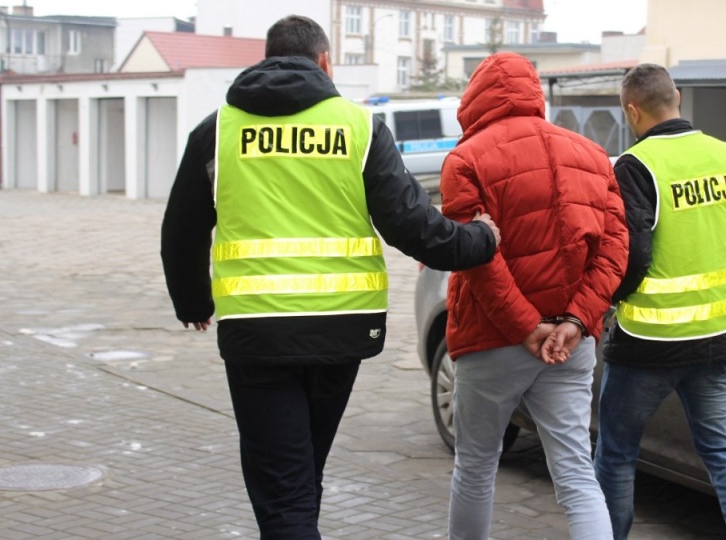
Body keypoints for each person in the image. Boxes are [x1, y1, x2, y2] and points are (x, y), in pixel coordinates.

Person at [160, 15, 500, 539]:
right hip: (341, 332)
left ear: (267, 59)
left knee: (284, 490)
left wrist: (193, 303)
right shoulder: (359, 126)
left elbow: (181, 229)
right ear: (325, 62)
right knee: (300, 477)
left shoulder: (218, 129)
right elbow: (415, 228)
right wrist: (482, 237)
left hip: (258, 333)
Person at [440, 52, 628, 540]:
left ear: (475, 98)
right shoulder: (592, 156)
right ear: (535, 93)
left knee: (477, 466)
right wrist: (576, 321)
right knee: (575, 471)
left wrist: (526, 326)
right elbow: (613, 251)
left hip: (491, 339)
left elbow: (476, 258)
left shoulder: (465, 160)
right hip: (570, 341)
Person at [593, 63, 726, 540]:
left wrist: (614, 299)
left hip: (646, 343)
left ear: (632, 110)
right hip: (718, 339)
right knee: (723, 453)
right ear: (677, 97)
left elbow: (630, 255)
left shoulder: (635, 165)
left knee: (616, 452)